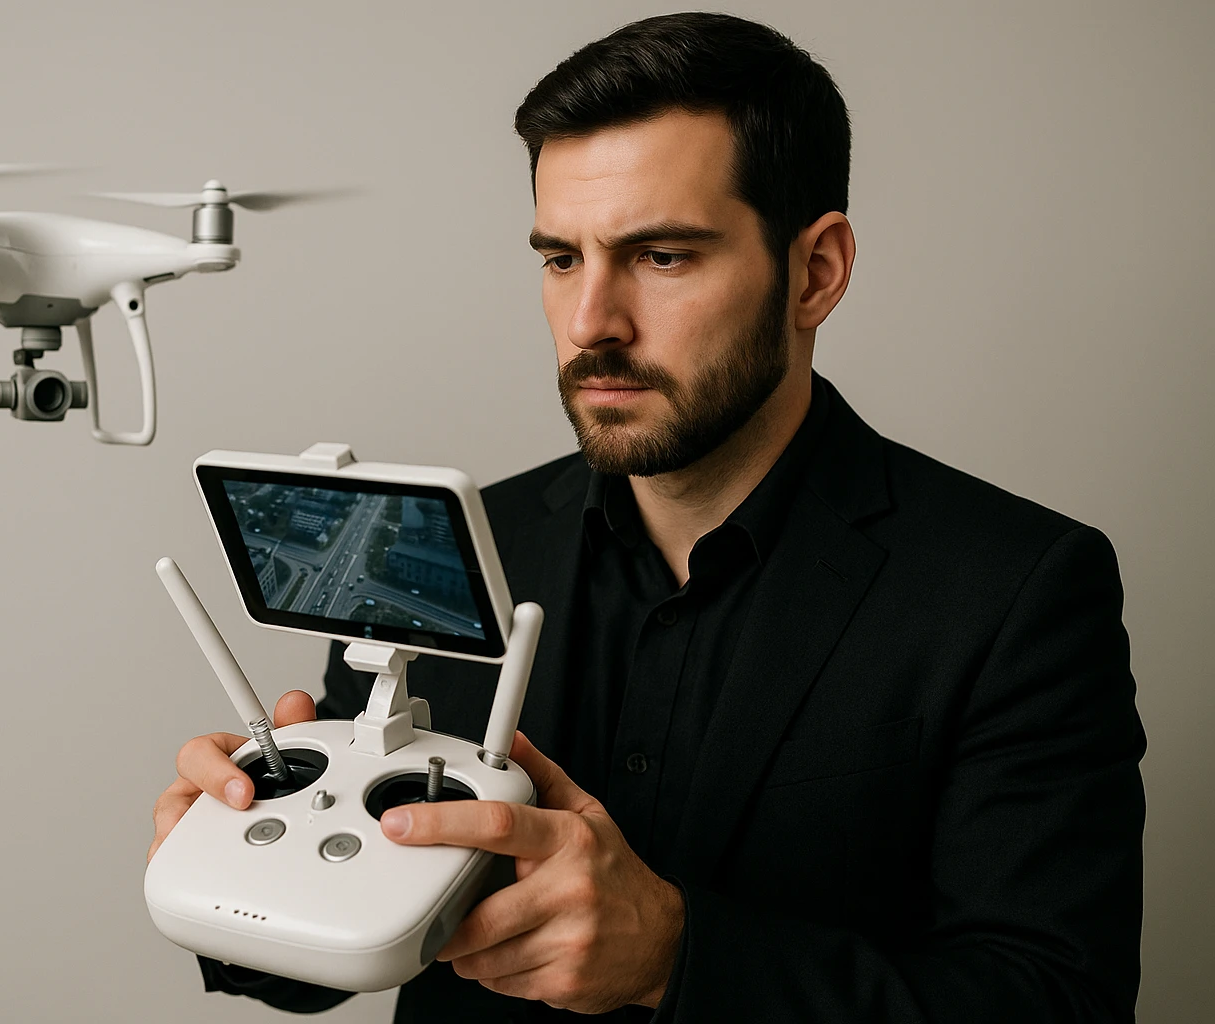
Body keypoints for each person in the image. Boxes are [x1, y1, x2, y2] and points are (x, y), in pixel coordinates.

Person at [148, 13, 1146, 1022]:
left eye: (662, 256)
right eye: (560, 259)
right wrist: (244, 874)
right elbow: (354, 934)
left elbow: (1056, 1001)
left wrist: (676, 957)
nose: (591, 324)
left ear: (817, 272)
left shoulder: (1014, 590)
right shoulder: (437, 550)